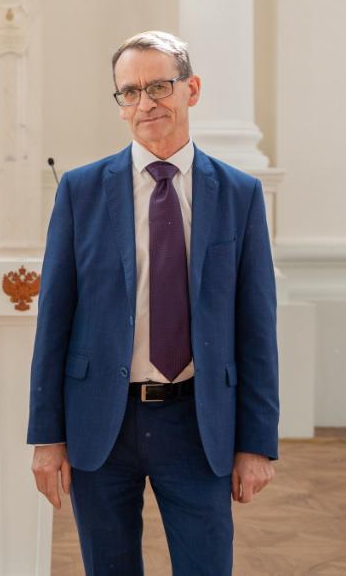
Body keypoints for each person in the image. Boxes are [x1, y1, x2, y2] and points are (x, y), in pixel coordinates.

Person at [27, 31, 279, 574]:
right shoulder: (80, 191)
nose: (146, 103)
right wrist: (46, 436)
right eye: (130, 92)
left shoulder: (239, 194)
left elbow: (257, 326)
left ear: (192, 89)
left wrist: (257, 443)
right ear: (121, 104)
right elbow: (55, 322)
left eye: (159, 87)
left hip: (198, 422)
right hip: (102, 422)